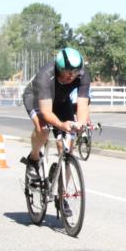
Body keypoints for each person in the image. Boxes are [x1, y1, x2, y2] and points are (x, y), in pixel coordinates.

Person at [21, 48, 91, 199]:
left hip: (61, 101)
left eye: (75, 72)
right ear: (59, 68)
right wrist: (61, 125)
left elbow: (83, 106)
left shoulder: (83, 74)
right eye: (67, 72)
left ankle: (62, 194)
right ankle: (33, 159)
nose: (71, 76)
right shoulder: (45, 75)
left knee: (67, 145)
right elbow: (46, 112)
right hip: (36, 99)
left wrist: (80, 124)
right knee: (44, 130)